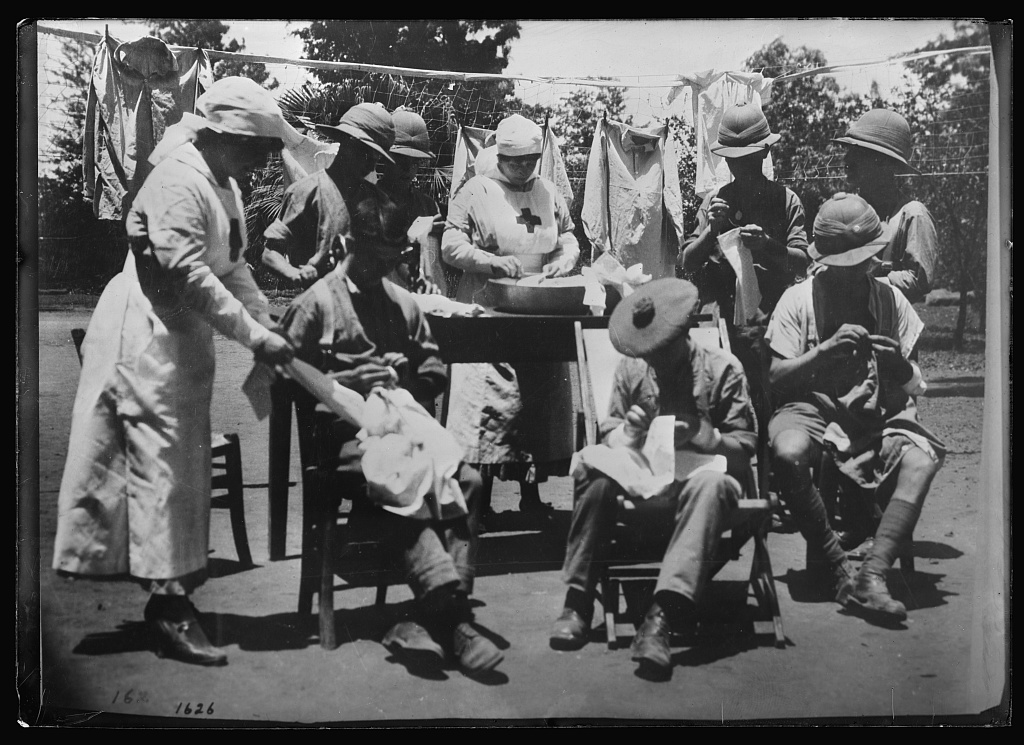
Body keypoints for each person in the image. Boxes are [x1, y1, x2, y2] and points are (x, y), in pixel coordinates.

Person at [52, 77, 296, 667]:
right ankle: (169, 609)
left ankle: (168, 594)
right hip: (147, 335)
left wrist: (265, 321)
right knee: (160, 469)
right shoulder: (177, 181)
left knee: (178, 468)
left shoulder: (223, 183)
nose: (263, 162)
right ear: (218, 134)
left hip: (183, 340)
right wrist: (254, 334)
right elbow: (188, 273)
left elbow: (232, 265)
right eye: (255, 148)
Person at [277, 190, 504, 678]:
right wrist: (343, 388)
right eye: (370, 257)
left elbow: (434, 370)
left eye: (389, 260)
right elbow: (280, 376)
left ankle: (428, 617)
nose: (377, 270)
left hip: (402, 424)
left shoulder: (402, 303)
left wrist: (407, 382)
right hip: (341, 438)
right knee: (405, 479)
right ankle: (454, 622)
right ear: (347, 243)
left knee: (467, 481)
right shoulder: (315, 304)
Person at [549, 278, 759, 679]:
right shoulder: (634, 367)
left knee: (711, 485)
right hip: (647, 473)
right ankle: (578, 599)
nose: (654, 361)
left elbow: (746, 445)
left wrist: (704, 435)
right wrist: (627, 430)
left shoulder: (721, 369)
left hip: (705, 476)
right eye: (648, 353)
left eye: (662, 352)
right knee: (594, 468)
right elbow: (610, 434)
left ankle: (661, 618)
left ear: (684, 335)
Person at [765, 192, 945, 624]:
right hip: (809, 407)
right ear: (822, 260)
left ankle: (874, 574)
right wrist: (822, 353)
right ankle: (836, 565)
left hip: (875, 412)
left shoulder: (889, 301)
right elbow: (773, 380)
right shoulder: (797, 299)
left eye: (863, 262)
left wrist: (897, 364)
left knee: (920, 461)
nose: (854, 274)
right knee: (788, 452)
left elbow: (914, 386)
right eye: (843, 266)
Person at [442, 113, 581, 516]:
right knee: (491, 401)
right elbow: (451, 244)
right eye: (514, 161)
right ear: (499, 155)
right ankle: (479, 500)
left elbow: (568, 237)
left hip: (539, 305)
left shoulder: (548, 191)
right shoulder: (476, 191)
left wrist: (563, 260)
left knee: (535, 400)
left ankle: (531, 496)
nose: (522, 169)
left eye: (529, 161)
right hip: (489, 303)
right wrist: (489, 262)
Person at [679, 102, 810, 436]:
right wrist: (711, 230)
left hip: (771, 322)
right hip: (721, 321)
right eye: (734, 159)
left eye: (749, 158)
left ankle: (770, 477)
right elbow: (686, 262)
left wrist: (767, 245)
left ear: (765, 154)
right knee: (720, 412)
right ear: (725, 159)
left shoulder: (785, 200)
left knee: (771, 409)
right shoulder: (715, 201)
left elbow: (802, 261)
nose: (742, 167)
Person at [262, 102, 396, 289]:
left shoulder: (379, 201)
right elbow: (271, 253)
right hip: (319, 302)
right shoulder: (305, 192)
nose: (372, 167)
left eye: (377, 158)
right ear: (347, 143)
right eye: (366, 155)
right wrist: (295, 274)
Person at [833, 108, 936, 305]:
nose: (846, 160)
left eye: (858, 154)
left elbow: (919, 281)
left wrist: (869, 279)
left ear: (882, 162)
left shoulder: (912, 215)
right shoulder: (846, 209)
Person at [378, 108, 448, 295]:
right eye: (401, 161)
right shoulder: (369, 201)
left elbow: (436, 262)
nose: (408, 170)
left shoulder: (427, 205)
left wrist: (439, 236)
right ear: (384, 158)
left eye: (415, 163)